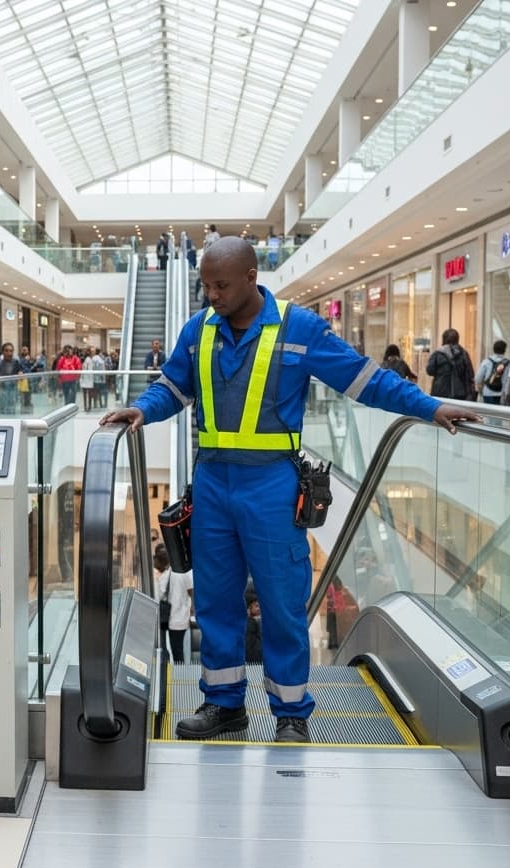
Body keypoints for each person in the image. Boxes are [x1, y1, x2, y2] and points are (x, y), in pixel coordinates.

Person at [101, 237, 476, 743]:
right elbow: (173, 386)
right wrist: (142, 409)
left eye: (221, 285)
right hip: (212, 484)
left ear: (252, 276)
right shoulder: (199, 331)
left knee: (280, 601)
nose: (211, 294)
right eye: (205, 285)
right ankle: (224, 704)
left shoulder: (298, 329)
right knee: (214, 600)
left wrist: (429, 406)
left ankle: (292, 712)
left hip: (273, 485)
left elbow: (364, 380)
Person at [154, 543, 193, 665]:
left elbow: (192, 592)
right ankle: (175, 673)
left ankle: (174, 674)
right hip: (173, 618)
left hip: (174, 619)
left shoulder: (175, 573)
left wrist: (192, 610)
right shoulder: (172, 572)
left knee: (174, 650)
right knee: (174, 650)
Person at [426, 328, 476, 400]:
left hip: (440, 391)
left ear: (444, 339)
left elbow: (430, 371)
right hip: (460, 392)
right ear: (457, 339)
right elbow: (470, 373)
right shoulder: (464, 353)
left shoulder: (438, 353)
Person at [0, 342, 24, 415]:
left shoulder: (16, 362)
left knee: (12, 410)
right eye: (6, 350)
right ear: (3, 351)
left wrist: (21, 372)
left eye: (11, 351)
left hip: (13, 391)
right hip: (1, 391)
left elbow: (22, 372)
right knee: (3, 411)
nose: (9, 353)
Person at [476, 340, 510, 405]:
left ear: (493, 349)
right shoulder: (508, 363)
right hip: (502, 395)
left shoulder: (486, 362)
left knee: (488, 414)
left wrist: (480, 390)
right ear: (504, 350)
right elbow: (508, 380)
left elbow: (478, 378)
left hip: (488, 393)